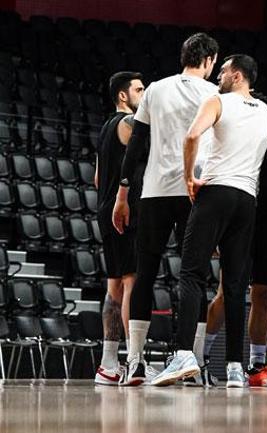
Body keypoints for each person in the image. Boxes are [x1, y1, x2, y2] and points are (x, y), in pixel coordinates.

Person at [150, 54, 267, 388]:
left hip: (215, 192)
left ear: (238, 75)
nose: (219, 76)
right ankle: (233, 367)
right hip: (248, 201)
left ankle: (185, 353)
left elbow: (190, 137)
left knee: (192, 274)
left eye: (225, 71)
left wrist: (188, 178)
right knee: (235, 285)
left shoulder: (218, 101)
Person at [113, 33, 219, 386]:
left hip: (155, 192)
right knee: (195, 276)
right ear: (210, 61)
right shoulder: (214, 95)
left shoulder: (155, 89)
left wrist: (122, 191)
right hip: (196, 192)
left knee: (145, 273)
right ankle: (194, 361)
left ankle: (136, 361)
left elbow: (137, 143)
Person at [200, 95, 267, 388]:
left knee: (265, 295)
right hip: (243, 221)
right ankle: (201, 356)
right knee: (226, 292)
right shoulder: (248, 139)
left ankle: (256, 363)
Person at [93, 71, 145, 386]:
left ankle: (108, 364)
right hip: (123, 213)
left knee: (115, 287)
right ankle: (133, 361)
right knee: (131, 282)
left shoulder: (104, 128)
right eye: (140, 89)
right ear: (123, 96)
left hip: (105, 211)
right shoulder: (128, 125)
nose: (145, 93)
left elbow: (99, 179)